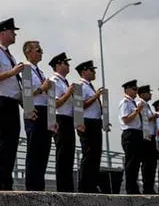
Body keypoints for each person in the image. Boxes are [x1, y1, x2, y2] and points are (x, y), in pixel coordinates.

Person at [0, 18, 25, 191]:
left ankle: (6, 181)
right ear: (2, 33)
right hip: (2, 102)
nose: (14, 34)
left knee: (11, 144)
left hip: (12, 103)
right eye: (11, 31)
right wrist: (12, 72)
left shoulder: (8, 55)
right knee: (2, 143)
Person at [21, 40, 54, 191]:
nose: (41, 52)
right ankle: (32, 186)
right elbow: (26, 94)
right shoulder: (26, 70)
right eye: (37, 50)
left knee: (43, 151)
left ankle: (39, 185)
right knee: (34, 151)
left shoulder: (40, 72)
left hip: (45, 111)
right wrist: (42, 89)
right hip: (34, 111)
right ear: (28, 52)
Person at [48, 52, 77, 192]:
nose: (68, 65)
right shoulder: (53, 81)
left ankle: (68, 187)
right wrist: (69, 93)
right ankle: (63, 188)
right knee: (63, 155)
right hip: (60, 119)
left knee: (69, 155)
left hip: (69, 120)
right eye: (65, 63)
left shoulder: (64, 82)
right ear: (58, 65)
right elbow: (55, 103)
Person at [76, 61, 105, 193]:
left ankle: (92, 184)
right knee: (88, 154)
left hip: (96, 122)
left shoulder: (90, 86)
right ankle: (85, 186)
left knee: (96, 155)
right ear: (84, 71)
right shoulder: (80, 86)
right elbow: (81, 105)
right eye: (91, 70)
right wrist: (96, 96)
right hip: (87, 122)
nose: (94, 72)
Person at [118, 79, 145, 194]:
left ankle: (134, 187)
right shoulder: (125, 102)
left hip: (137, 133)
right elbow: (126, 119)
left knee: (136, 163)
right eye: (134, 89)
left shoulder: (132, 102)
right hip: (130, 133)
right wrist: (137, 111)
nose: (136, 92)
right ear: (127, 89)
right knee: (131, 162)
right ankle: (130, 188)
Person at [137, 84, 158, 194]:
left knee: (152, 164)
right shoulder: (140, 104)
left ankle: (150, 186)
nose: (150, 94)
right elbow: (142, 119)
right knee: (147, 163)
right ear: (142, 94)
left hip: (151, 137)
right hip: (145, 137)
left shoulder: (148, 105)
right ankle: (147, 187)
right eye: (148, 92)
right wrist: (153, 117)